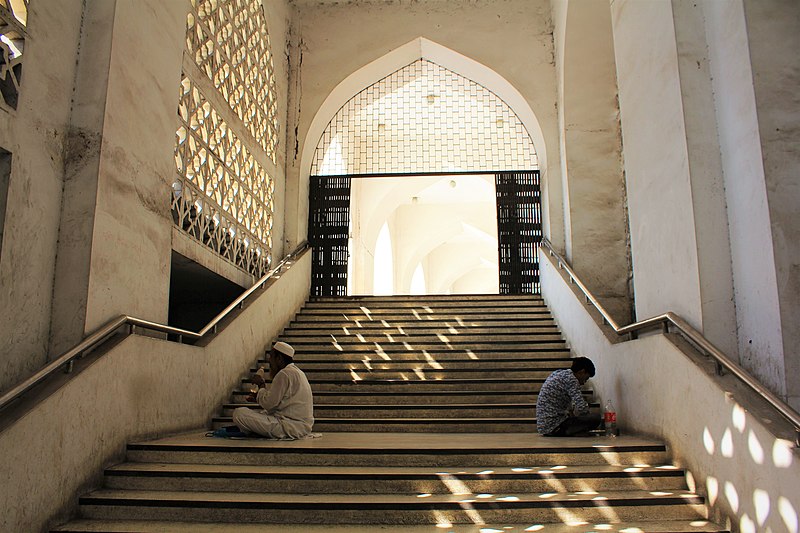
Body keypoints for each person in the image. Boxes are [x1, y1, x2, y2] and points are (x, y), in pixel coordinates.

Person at [223, 341, 314, 439]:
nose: (269, 361)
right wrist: (258, 397)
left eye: (271, 357)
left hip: (289, 426)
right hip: (298, 426)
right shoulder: (297, 372)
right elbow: (277, 403)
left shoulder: (284, 374)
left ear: (279, 359)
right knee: (262, 414)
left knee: (239, 413)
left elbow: (269, 404)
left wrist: (261, 384)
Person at [536, 356, 602, 437]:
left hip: (544, 426)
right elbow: (582, 408)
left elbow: (570, 408)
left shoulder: (559, 373)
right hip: (554, 426)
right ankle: (570, 432)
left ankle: (573, 431)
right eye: (586, 378)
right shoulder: (572, 380)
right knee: (596, 418)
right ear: (582, 372)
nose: (584, 382)